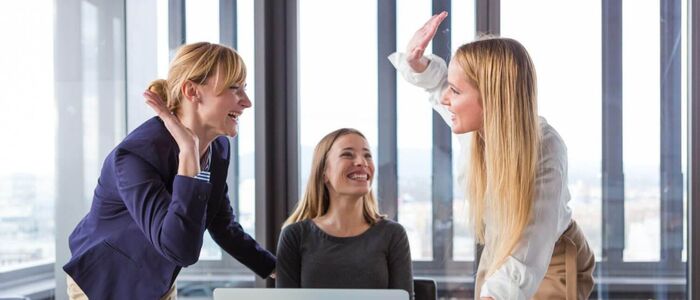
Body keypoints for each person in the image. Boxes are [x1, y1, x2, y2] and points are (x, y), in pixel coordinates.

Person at [389, 12, 595, 300]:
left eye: (456, 91)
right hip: (502, 247)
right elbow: (439, 88)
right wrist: (416, 63)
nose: (446, 98)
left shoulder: (544, 148)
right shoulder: (476, 127)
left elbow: (530, 244)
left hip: (551, 257)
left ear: (492, 99)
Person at [63, 42, 276, 299]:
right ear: (192, 91)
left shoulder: (218, 149)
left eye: (245, 88)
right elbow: (180, 249)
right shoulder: (135, 157)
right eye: (234, 88)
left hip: (157, 283)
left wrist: (275, 268)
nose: (247, 102)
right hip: (103, 285)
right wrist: (188, 154)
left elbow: (222, 224)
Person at [275, 128, 414, 298]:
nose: (361, 162)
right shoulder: (294, 235)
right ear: (324, 172)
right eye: (348, 155)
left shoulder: (392, 234)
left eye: (367, 155)